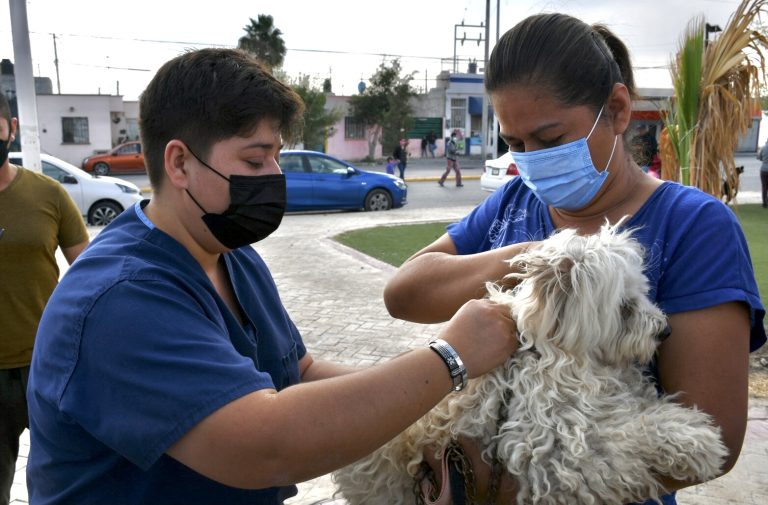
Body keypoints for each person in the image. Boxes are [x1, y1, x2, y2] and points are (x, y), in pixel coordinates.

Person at [25, 48, 518, 505]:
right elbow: (265, 444)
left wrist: (432, 414)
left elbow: (298, 373)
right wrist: (449, 358)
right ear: (179, 163)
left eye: (276, 156)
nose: (274, 175)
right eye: (254, 159)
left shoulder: (227, 253)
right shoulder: (120, 297)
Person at [383, 13, 765, 505]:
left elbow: (707, 441)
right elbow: (405, 293)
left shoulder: (693, 226)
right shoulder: (515, 200)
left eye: (550, 139)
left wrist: (486, 481)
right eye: (516, 144)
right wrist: (537, 258)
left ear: (618, 110)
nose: (530, 160)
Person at [0, 93, 89, 505]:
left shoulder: (48, 195)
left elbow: (90, 275)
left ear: (11, 129)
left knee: (66, 485)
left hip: (48, 367)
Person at [757, 140, 768, 208]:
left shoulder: (763, 148)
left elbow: (759, 158)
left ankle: (764, 203)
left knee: (764, 187)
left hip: (763, 169)